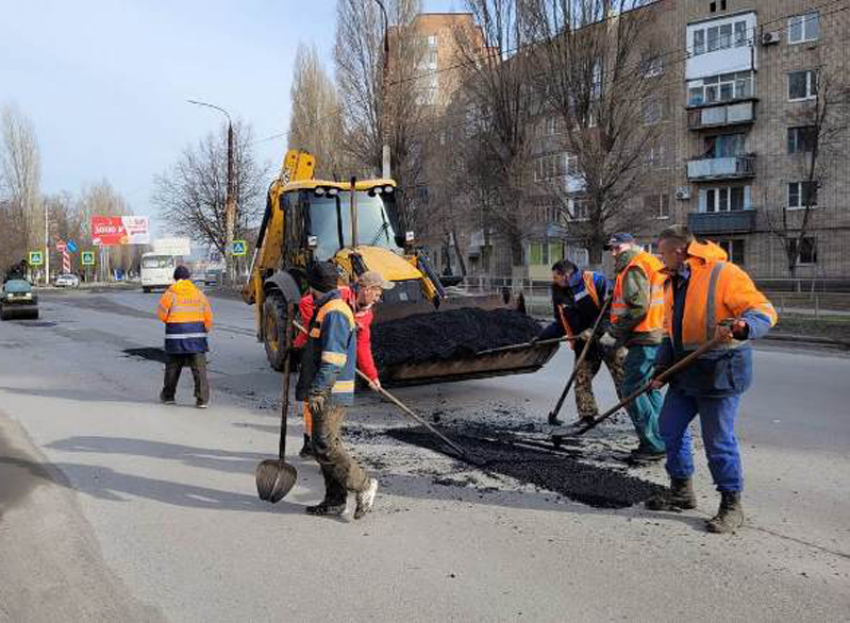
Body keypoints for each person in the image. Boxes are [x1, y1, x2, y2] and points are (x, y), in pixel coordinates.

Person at [646, 225, 777, 533]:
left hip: (720, 371)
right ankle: (681, 491)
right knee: (669, 429)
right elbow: (671, 333)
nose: (658, 257)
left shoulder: (724, 273)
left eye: (662, 251)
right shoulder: (672, 282)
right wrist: (660, 372)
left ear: (679, 251)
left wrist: (743, 326)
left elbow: (764, 311)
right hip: (685, 372)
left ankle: (731, 504)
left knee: (717, 441)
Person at [295, 261, 379, 519]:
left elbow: (332, 358)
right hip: (325, 389)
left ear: (312, 286)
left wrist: (319, 390)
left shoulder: (334, 311)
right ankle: (334, 500)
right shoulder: (329, 308)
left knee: (324, 445)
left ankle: (364, 484)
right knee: (325, 444)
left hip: (331, 391)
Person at [295, 271, 393, 457]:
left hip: (336, 356)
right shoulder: (339, 295)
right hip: (314, 351)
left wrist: (372, 376)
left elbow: (362, 346)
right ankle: (309, 441)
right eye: (378, 294)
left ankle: (321, 444)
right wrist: (323, 327)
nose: (378, 299)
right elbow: (307, 302)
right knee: (313, 398)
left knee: (330, 406)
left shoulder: (365, 314)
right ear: (366, 290)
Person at [598, 233, 666, 464]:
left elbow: (638, 309)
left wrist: (613, 334)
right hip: (658, 334)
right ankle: (664, 436)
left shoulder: (634, 267)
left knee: (631, 390)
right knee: (648, 388)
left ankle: (653, 444)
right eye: (612, 249)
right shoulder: (650, 262)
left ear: (631, 245)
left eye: (618, 247)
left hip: (645, 336)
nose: (615, 252)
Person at [537, 259, 621, 426]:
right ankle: (587, 417)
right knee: (581, 378)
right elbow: (561, 323)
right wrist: (542, 337)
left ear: (566, 275)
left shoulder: (595, 280)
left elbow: (610, 311)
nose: (554, 281)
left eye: (556, 277)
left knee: (623, 378)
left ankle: (641, 419)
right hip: (583, 343)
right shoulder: (558, 291)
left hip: (608, 338)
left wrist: (594, 330)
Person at [157, 265, 213, 408]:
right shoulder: (199, 294)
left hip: (176, 337)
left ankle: (168, 396)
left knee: (173, 367)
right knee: (199, 369)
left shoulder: (170, 294)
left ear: (175, 278)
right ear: (189, 278)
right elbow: (208, 317)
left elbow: (162, 315)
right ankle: (202, 399)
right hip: (197, 338)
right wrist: (204, 330)